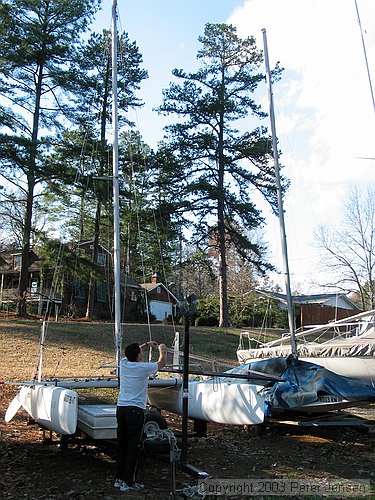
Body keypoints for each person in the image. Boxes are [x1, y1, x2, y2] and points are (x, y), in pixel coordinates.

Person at [114, 340, 167, 492]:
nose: (142, 353)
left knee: (122, 444)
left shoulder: (123, 363)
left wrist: (145, 345)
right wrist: (162, 350)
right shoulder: (142, 368)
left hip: (121, 409)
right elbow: (161, 363)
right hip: (135, 411)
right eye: (141, 352)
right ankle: (129, 481)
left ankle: (119, 478)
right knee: (133, 446)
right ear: (138, 356)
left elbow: (130, 353)